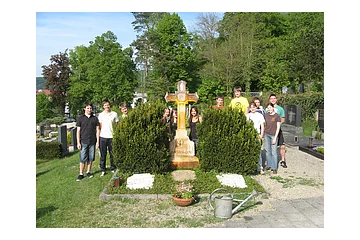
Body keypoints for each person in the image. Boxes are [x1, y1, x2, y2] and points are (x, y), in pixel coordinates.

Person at [76, 101, 100, 181]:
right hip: (83, 142)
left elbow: (97, 130)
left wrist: (97, 142)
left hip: (92, 141)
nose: (89, 109)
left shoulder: (95, 118)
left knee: (91, 158)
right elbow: (78, 131)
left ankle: (88, 171)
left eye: (90, 108)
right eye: (88, 108)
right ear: (84, 109)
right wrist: (78, 142)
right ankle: (81, 173)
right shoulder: (80, 118)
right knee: (83, 158)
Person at [98, 99, 119, 176]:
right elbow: (100, 126)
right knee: (103, 154)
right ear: (103, 106)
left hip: (112, 136)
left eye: (108, 105)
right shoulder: (101, 115)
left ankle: (112, 167)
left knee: (112, 153)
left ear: (110, 105)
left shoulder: (114, 114)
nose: (107, 106)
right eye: (105, 105)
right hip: (103, 137)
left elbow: (117, 124)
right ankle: (103, 169)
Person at [268, 94, 287, 168]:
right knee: (270, 147)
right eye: (271, 98)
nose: (273, 100)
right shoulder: (267, 109)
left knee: (282, 146)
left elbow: (283, 119)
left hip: (278, 130)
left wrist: (278, 124)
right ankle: (270, 161)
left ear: (276, 99)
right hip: (270, 130)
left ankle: (282, 160)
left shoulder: (280, 109)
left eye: (274, 98)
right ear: (269, 100)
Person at [246, 101, 265, 174]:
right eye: (251, 107)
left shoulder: (259, 115)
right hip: (250, 134)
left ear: (256, 107)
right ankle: (251, 167)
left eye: (254, 107)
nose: (252, 108)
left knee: (258, 152)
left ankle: (259, 168)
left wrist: (261, 135)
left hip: (257, 134)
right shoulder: (248, 116)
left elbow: (262, 126)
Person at [263, 102, 281, 174]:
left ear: (273, 108)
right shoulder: (266, 115)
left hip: (273, 135)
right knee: (267, 151)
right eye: (268, 108)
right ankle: (268, 165)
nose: (269, 109)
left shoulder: (277, 116)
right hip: (266, 134)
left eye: (270, 107)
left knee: (274, 152)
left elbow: (278, 127)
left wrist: (275, 137)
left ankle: (274, 167)